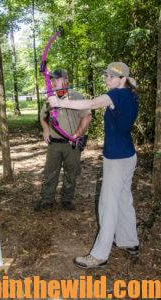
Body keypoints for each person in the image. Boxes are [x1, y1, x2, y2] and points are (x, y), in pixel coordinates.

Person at [48, 62, 139, 268]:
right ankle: (129, 241)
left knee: (108, 204)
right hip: (128, 155)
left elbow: (89, 104)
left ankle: (99, 255)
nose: (106, 79)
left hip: (117, 158)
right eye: (105, 75)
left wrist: (60, 103)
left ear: (122, 79)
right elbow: (128, 86)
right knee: (124, 199)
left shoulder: (116, 95)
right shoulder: (130, 94)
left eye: (111, 76)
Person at [34, 69, 92, 211]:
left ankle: (67, 199)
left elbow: (87, 116)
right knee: (50, 173)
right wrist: (46, 129)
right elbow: (43, 117)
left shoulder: (76, 96)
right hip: (54, 143)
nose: (53, 82)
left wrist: (77, 134)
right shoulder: (51, 97)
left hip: (72, 144)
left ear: (66, 80)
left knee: (71, 173)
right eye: (51, 79)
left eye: (56, 79)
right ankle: (47, 200)